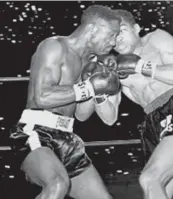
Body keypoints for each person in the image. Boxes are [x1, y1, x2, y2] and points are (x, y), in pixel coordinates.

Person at [9, 5, 121, 199]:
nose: (113, 42)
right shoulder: (54, 46)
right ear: (92, 28)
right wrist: (90, 87)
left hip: (68, 137)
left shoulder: (91, 62)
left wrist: (99, 91)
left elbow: (81, 115)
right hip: (36, 130)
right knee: (57, 184)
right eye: (111, 34)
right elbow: (42, 98)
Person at [96, 9, 173, 199]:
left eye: (122, 30)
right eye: (112, 34)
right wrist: (97, 91)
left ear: (136, 28)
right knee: (153, 189)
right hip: (151, 124)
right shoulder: (112, 66)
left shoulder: (156, 39)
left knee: (149, 178)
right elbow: (109, 118)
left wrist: (140, 66)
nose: (117, 38)